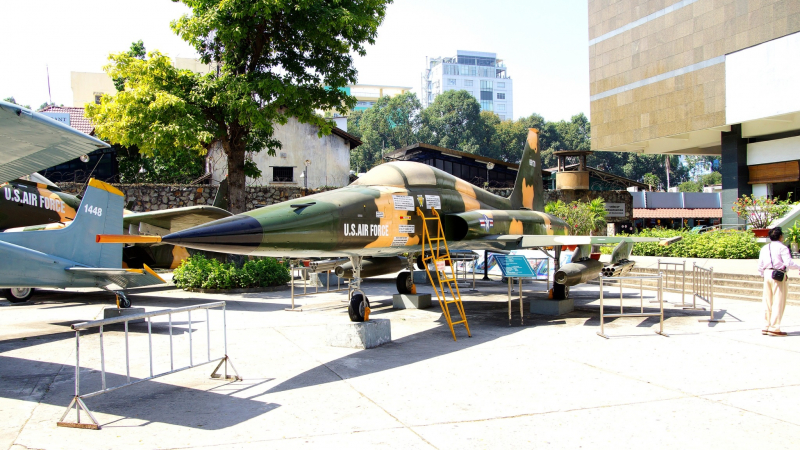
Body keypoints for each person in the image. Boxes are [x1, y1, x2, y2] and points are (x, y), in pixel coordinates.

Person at [757, 227, 799, 336]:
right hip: (778, 274)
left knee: (767, 301)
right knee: (778, 301)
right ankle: (775, 327)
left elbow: (760, 265)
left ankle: (765, 325)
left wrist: (763, 274)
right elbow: (788, 263)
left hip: (767, 273)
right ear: (780, 236)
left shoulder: (765, 248)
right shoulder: (783, 248)